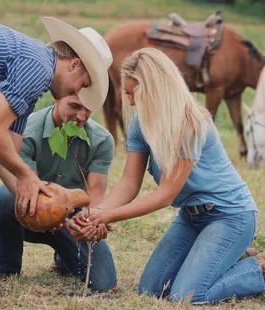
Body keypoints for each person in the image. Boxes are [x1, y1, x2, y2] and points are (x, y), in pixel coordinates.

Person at [72, 47, 264, 304]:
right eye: (126, 93)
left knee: (186, 297)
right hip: (191, 217)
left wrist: (107, 216)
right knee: (151, 290)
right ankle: (228, 257)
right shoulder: (141, 124)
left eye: (132, 93)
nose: (129, 101)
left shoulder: (188, 122)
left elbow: (165, 195)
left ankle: (258, 268)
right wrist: (95, 213)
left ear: (153, 90)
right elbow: (129, 183)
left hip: (230, 216)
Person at [0, 17, 113, 301]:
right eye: (82, 83)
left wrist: (47, 208)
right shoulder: (38, 65)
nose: (77, 92)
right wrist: (28, 176)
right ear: (74, 64)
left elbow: (6, 160)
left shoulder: (30, 88)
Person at [0, 95, 117, 292]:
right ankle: (6, 270)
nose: (81, 116)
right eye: (74, 106)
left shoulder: (102, 140)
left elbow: (95, 195)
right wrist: (57, 215)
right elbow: (29, 189)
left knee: (104, 284)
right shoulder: (25, 130)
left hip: (72, 220)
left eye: (88, 109)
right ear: (57, 98)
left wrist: (94, 221)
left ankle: (64, 258)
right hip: (30, 212)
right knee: (4, 197)